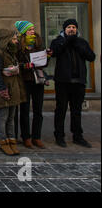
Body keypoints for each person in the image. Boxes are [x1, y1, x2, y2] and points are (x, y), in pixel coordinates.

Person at [50, 19, 95, 148]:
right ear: (64, 29)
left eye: (74, 27)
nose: (71, 29)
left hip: (79, 82)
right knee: (61, 110)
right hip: (63, 82)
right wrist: (66, 41)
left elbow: (91, 57)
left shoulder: (82, 42)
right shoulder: (58, 41)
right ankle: (59, 136)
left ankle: (77, 136)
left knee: (76, 111)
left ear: (77, 29)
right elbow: (55, 53)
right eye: (69, 27)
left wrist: (76, 44)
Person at [15, 21, 49, 149]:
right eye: (29, 30)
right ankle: (26, 137)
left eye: (33, 29)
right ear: (24, 32)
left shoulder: (38, 43)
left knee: (38, 110)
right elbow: (16, 63)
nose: (32, 32)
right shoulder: (19, 46)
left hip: (37, 80)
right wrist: (25, 66)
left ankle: (37, 137)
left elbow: (43, 63)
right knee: (24, 110)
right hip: (25, 80)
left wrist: (48, 56)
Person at [0, 29, 26, 156]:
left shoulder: (14, 53)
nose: (16, 41)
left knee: (12, 117)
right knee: (3, 116)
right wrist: (2, 89)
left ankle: (12, 141)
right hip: (5, 87)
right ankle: (3, 141)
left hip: (14, 86)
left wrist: (17, 69)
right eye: (13, 39)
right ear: (6, 40)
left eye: (16, 39)